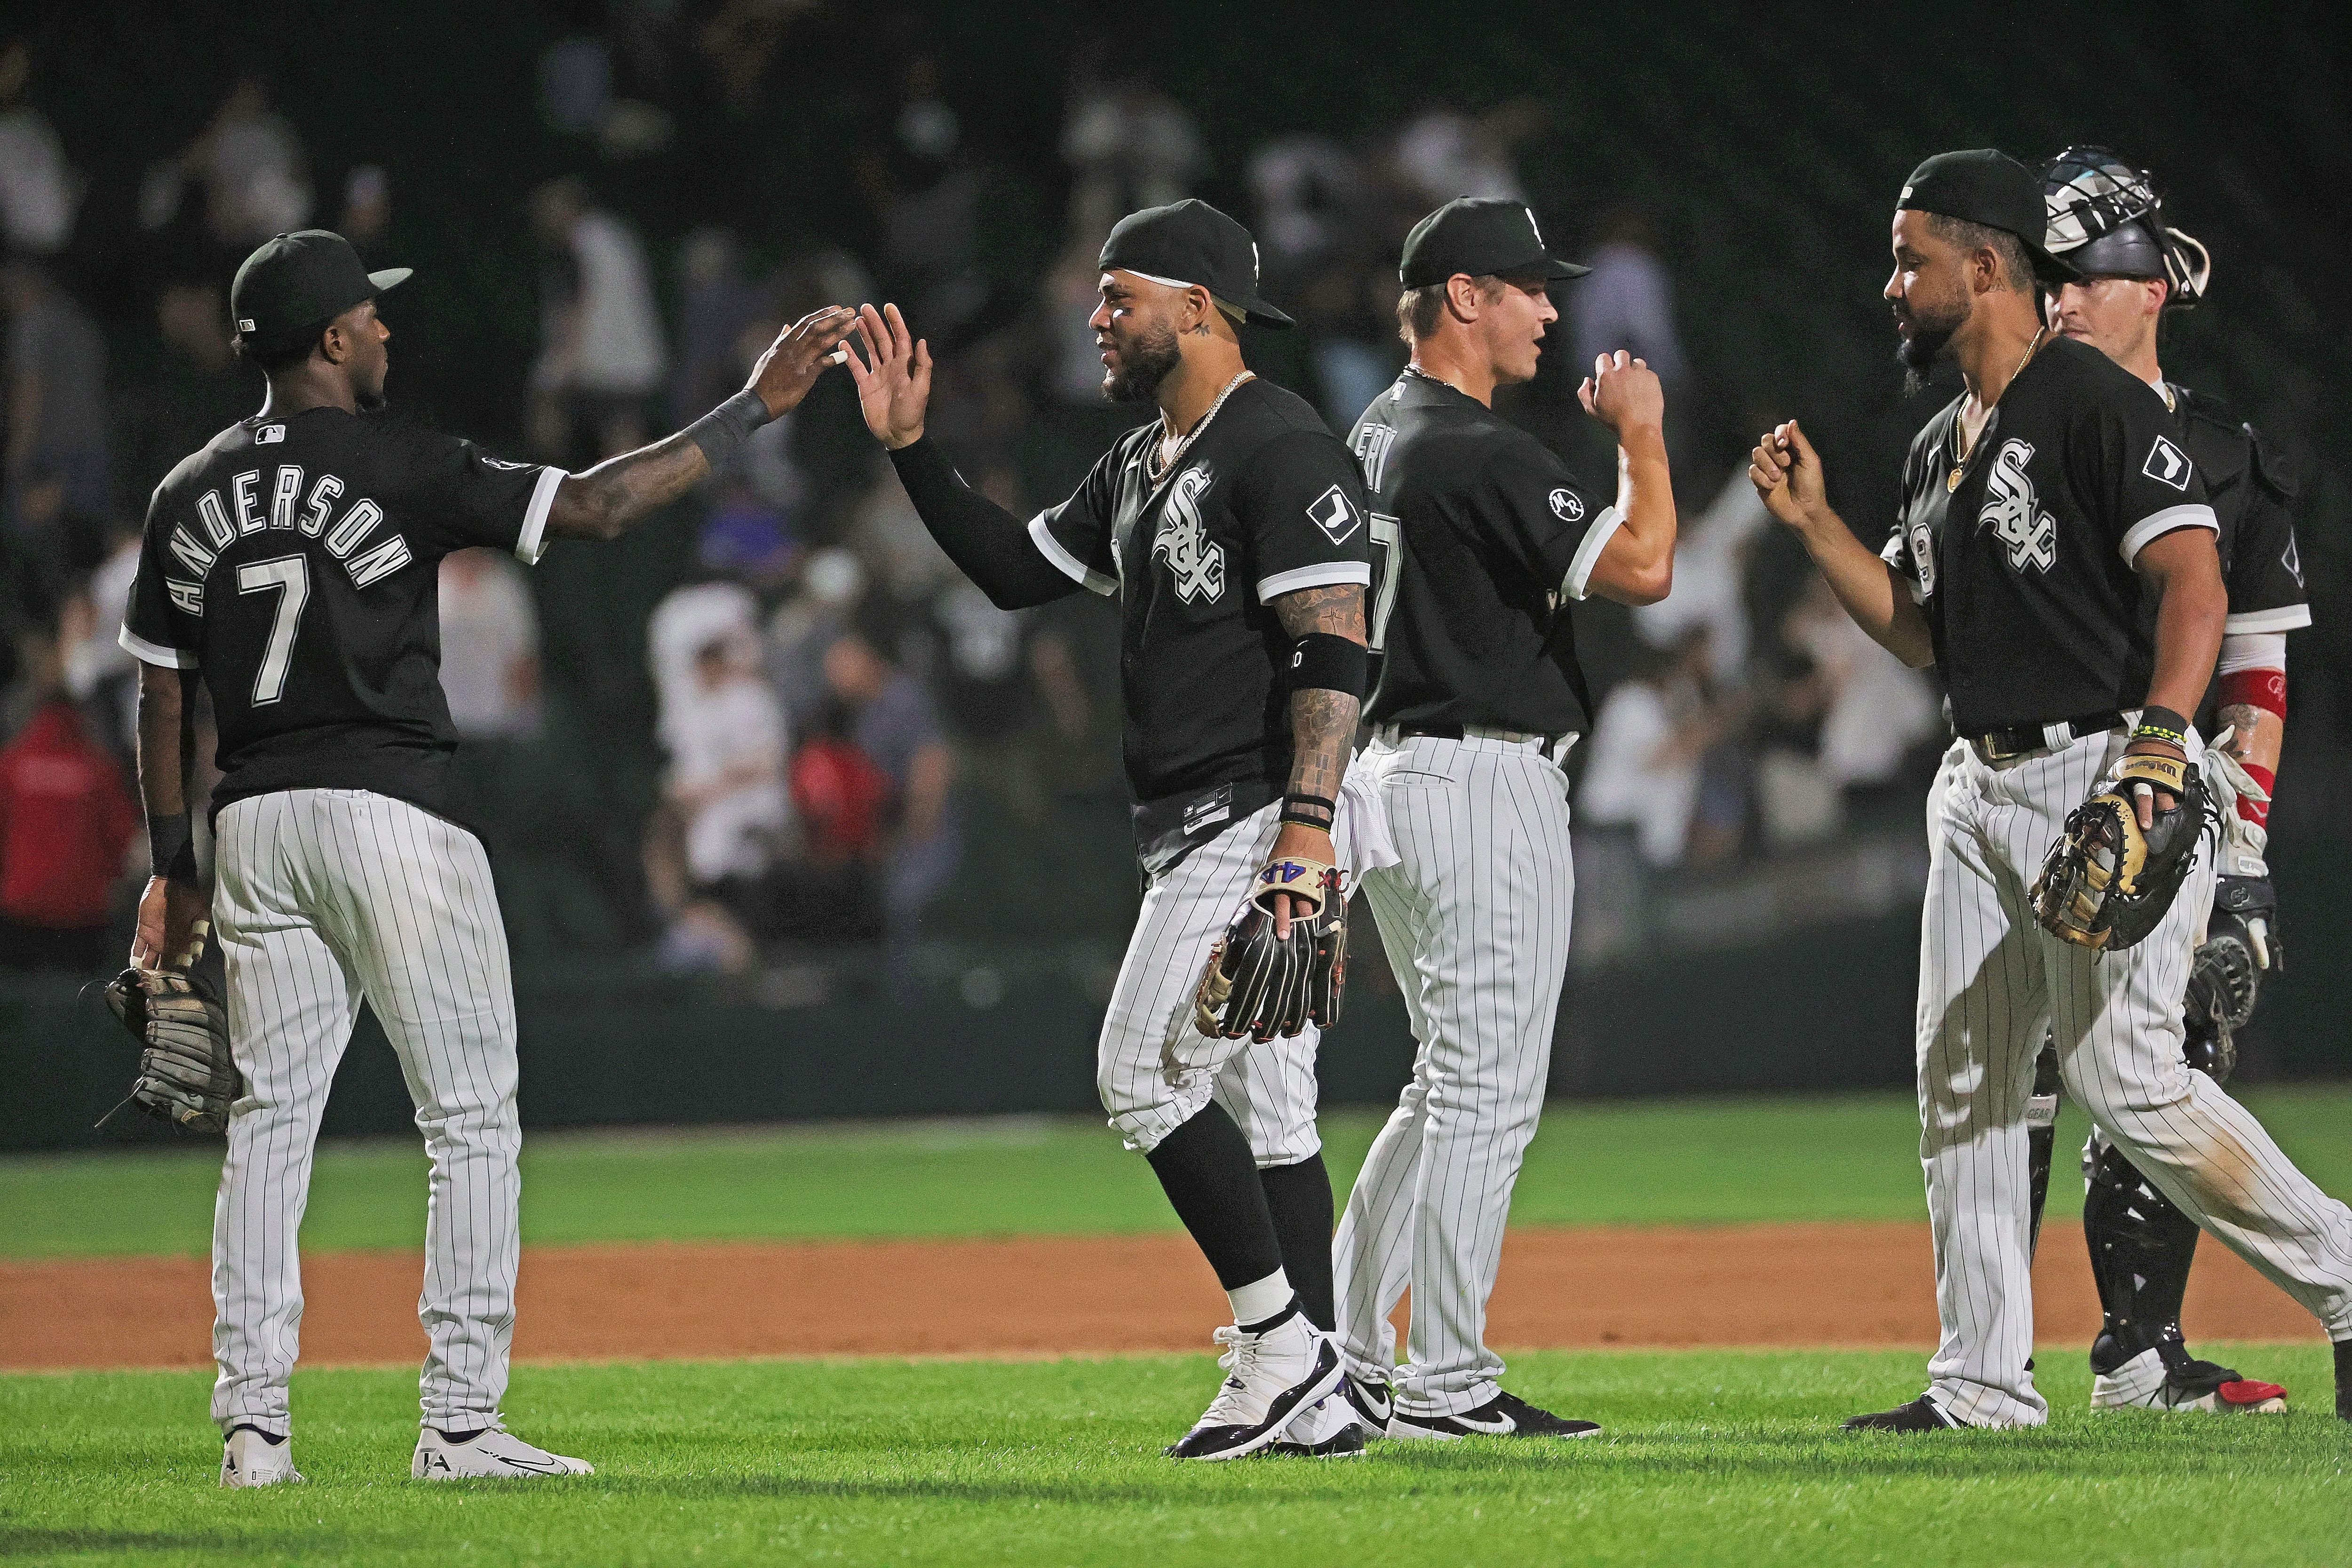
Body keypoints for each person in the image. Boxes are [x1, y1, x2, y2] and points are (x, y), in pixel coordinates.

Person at [117, 227, 854, 1484]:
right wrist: (748, 412)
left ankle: (253, 1429)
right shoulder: (403, 461)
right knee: (468, 1118)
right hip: (388, 811)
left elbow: (167, 698)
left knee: (272, 1126)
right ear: (334, 337)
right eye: (372, 316)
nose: (388, 331)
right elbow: (603, 504)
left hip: (253, 824)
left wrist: (174, 866)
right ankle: (459, 1423)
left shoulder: (188, 489)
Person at [1748, 150, 2352, 1431]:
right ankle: (1979, 1379)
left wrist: (2155, 749)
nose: (1891, 284)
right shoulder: (1934, 443)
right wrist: (1815, 528)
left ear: (1988, 268)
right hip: (1978, 783)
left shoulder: (2094, 405)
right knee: (1962, 1078)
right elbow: (1921, 637)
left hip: (2104, 766)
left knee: (2129, 1079)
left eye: (1913, 260)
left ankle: (2347, 1275)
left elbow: (2197, 584)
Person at [842, 199, 1377, 1460]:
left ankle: (1286, 1354)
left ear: (1197, 307)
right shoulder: (1144, 458)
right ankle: (1322, 1388)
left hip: (1251, 812)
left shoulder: (1279, 442)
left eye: (1117, 293)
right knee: (1276, 1116)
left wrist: (1305, 839)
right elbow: (1018, 573)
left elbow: (1336, 646)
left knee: (1138, 1076)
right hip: (1198, 817)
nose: (1094, 317)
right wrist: (914, 451)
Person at [1332, 198, 1677, 1442]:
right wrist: (1643, 434)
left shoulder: (1374, 432)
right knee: (1486, 1092)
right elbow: (1643, 566)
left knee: (1443, 1086)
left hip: (1389, 777)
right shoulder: (1476, 448)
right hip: (1480, 778)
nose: (1549, 308)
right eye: (1529, 288)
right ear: (1463, 298)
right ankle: (1447, 1384)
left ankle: (1352, 1361)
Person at [2015, 147, 2310, 1415]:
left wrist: (2240, 852)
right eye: (2047, 280)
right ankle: (1981, 1367)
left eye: (2081, 276)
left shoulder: (2227, 456)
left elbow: (2255, 678)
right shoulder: (1998, 430)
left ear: (2154, 283)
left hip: (2167, 792)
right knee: (2009, 1072)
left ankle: (2140, 1354)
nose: (2060, 300)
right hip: (2027, 778)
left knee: (2169, 1053)